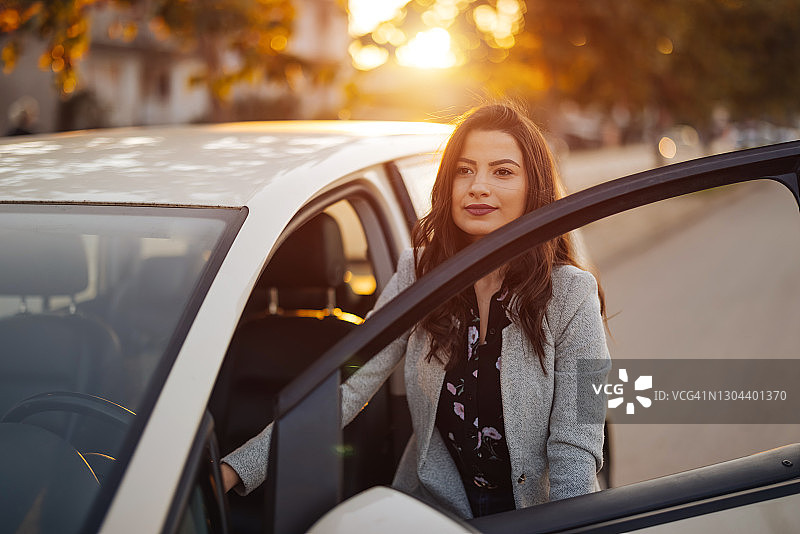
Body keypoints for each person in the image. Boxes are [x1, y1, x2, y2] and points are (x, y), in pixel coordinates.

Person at [220, 102, 611, 519]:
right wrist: (233, 470)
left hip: (535, 513)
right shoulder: (418, 273)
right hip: (433, 512)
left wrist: (564, 525)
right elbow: (348, 387)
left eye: (502, 171)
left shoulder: (572, 293)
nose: (478, 186)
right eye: (464, 170)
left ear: (535, 188)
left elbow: (577, 438)